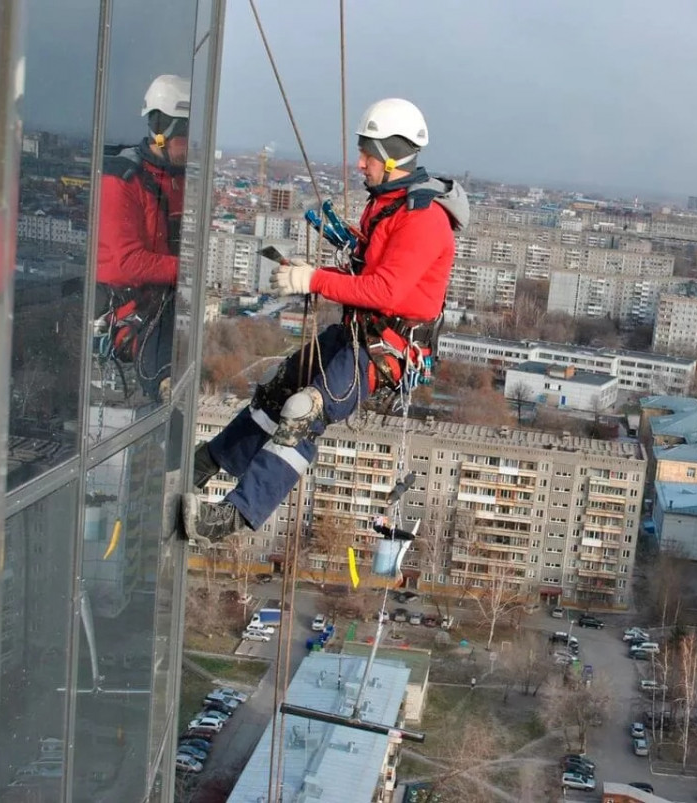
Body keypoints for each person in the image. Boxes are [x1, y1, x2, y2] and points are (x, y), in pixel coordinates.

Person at [182, 98, 468, 543]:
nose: (360, 163)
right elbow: (365, 277)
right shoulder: (388, 205)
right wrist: (312, 275)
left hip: (383, 350)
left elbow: (385, 291)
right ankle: (208, 463)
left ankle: (234, 516)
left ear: (393, 155)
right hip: (362, 333)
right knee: (280, 391)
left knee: (302, 413)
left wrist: (312, 280)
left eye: (368, 154)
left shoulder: (421, 219)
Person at [95, 74, 190, 402]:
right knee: (164, 380)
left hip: (160, 304)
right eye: (188, 135)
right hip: (125, 308)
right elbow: (128, 263)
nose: (193, 145)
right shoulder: (122, 181)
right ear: (164, 132)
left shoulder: (179, 180)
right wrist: (190, 269)